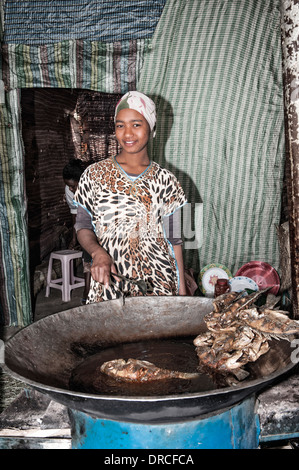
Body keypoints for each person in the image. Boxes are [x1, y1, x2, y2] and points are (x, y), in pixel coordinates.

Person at [74, 91, 187, 303]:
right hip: (111, 283)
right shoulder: (94, 175)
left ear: (151, 127)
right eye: (120, 125)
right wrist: (98, 253)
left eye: (136, 124)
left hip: (159, 285)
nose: (127, 133)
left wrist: (182, 295)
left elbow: (175, 240)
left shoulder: (166, 180)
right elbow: (83, 226)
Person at [63, 159, 92, 304]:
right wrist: (75, 238)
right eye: (68, 186)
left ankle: (88, 290)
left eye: (73, 186)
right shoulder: (69, 190)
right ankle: (87, 290)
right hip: (86, 225)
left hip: (102, 223)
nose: (71, 190)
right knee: (87, 252)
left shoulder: (95, 188)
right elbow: (75, 214)